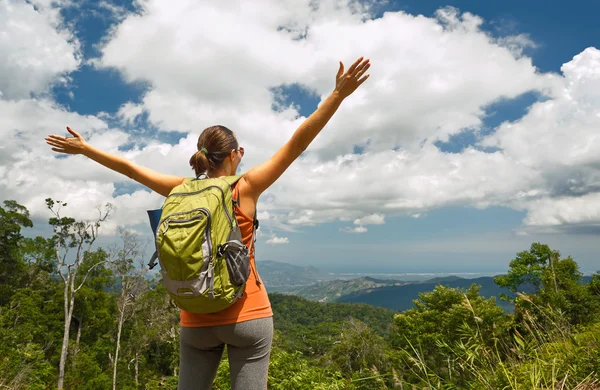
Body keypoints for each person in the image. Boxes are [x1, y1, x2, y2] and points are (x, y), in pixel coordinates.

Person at [45, 56, 370, 390]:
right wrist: (337, 96)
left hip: (194, 317)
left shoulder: (178, 188)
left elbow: (129, 168)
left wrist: (85, 149)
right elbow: (297, 143)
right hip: (248, 314)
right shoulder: (245, 186)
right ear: (233, 155)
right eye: (238, 151)